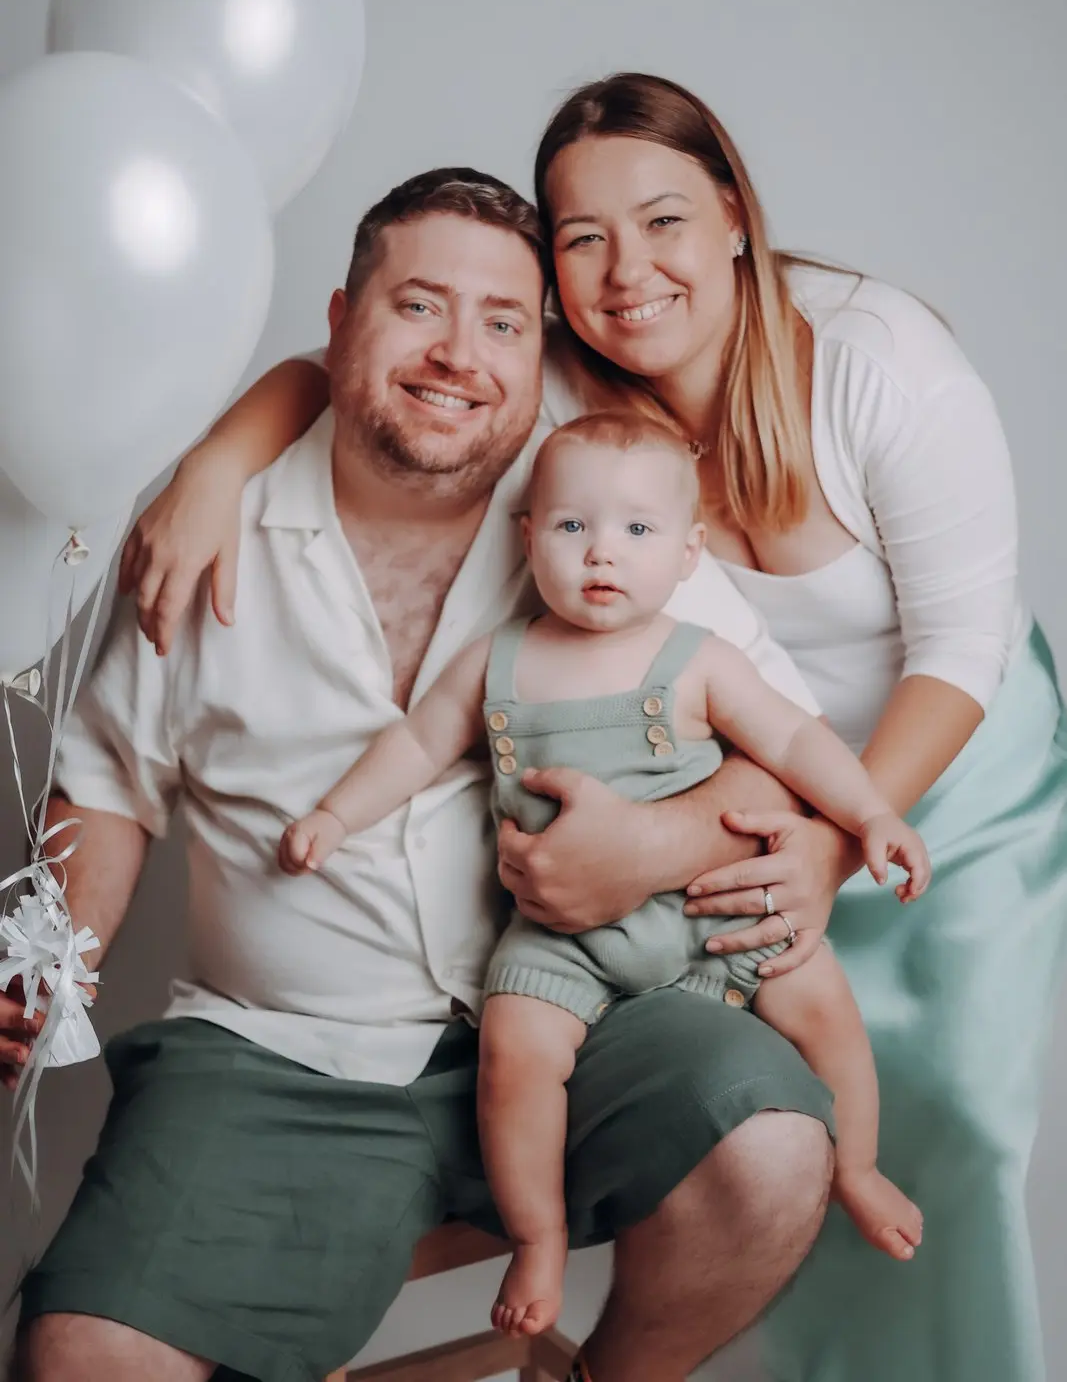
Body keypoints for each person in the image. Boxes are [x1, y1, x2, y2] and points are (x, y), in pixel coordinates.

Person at [120, 75, 1067, 1382]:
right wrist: (214, 467)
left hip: (927, 775)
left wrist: (829, 844)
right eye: (580, 239)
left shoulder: (872, 361)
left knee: (941, 1116)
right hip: (711, 783)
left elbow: (958, 653)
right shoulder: (561, 378)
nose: (626, 272)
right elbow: (341, 372)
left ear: (733, 215)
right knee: (742, 1091)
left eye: (664, 220)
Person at [4, 170, 839, 1382]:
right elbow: (111, 783)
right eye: (419, 307)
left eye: (502, 322)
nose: (460, 354)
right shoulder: (204, 525)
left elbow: (788, 755)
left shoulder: (595, 510)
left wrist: (667, 846)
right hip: (277, 1055)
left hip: (585, 1020)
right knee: (83, 1356)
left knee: (771, 1149)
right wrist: (56, 964)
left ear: (538, 351)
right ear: (339, 324)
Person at [281, 408, 929, 1339]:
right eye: (572, 526)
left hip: (711, 909)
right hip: (562, 937)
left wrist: (870, 814)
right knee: (514, 1057)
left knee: (824, 1006)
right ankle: (536, 1237)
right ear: (527, 536)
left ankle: (858, 1168)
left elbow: (791, 739)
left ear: (688, 552)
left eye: (637, 530)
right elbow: (416, 745)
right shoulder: (497, 662)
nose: (601, 554)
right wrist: (335, 815)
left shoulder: (696, 659)